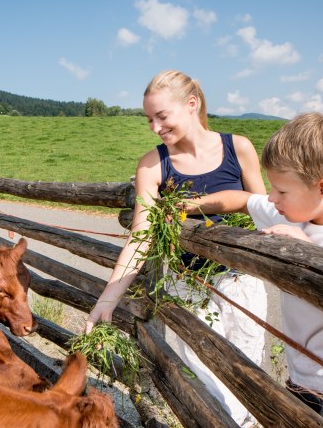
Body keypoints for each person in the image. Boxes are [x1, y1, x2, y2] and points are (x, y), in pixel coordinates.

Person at [185, 112, 323, 427]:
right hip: (304, 386)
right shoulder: (293, 213)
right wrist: (190, 206)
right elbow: (244, 199)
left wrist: (311, 259)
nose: (272, 198)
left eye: (282, 191)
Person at [84, 70, 268, 427]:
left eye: (162, 116)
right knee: (204, 384)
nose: (154, 127)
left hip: (240, 283)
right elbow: (142, 237)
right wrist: (107, 298)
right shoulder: (153, 165)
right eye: (149, 119)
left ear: (191, 104)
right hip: (186, 290)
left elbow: (263, 211)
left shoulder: (238, 147)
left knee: (246, 376)